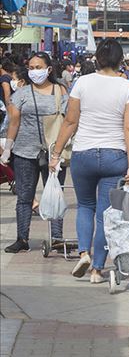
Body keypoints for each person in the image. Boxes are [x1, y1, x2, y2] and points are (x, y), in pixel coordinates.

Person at [50, 39, 129, 284]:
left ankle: (83, 253)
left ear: (97, 58)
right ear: (121, 60)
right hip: (115, 156)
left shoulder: (82, 82)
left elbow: (70, 121)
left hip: (83, 154)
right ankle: (98, 269)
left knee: (85, 206)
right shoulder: (128, 87)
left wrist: (56, 154)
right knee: (106, 214)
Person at [2, 53, 68, 254]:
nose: (34, 71)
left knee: (55, 194)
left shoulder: (60, 90)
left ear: (49, 69)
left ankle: (56, 238)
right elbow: (14, 122)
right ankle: (22, 238)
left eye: (38, 67)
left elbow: (69, 120)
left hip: (53, 152)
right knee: (24, 196)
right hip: (24, 151)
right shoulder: (22, 93)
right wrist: (8, 148)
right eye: (31, 67)